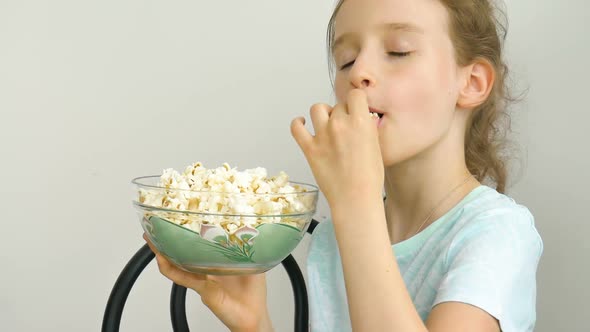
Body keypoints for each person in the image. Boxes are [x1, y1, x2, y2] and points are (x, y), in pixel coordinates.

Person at [144, 0, 543, 331]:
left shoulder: (497, 233)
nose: (360, 74)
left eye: (398, 51)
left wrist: (354, 203)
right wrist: (255, 325)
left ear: (472, 82)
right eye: (347, 61)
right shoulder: (333, 237)